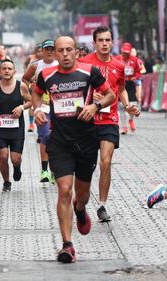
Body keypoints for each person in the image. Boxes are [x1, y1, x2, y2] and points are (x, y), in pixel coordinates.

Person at [32, 36, 115, 263]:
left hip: (86, 141)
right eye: (61, 50)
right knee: (65, 190)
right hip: (59, 142)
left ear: (76, 52)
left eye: (69, 50)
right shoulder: (47, 75)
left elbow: (110, 94)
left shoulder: (90, 71)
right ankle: (67, 245)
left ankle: (80, 210)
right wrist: (37, 109)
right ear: (55, 54)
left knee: (83, 195)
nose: (65, 54)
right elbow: (36, 92)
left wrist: (95, 106)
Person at [79, 26, 140, 222]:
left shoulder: (119, 65)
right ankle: (81, 201)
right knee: (85, 166)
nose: (105, 44)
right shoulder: (84, 63)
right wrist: (89, 99)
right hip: (88, 120)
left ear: (112, 42)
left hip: (109, 119)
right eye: (101, 40)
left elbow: (120, 89)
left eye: (108, 40)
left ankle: (102, 205)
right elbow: (77, 89)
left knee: (105, 161)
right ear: (94, 43)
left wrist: (127, 104)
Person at [0, 59, 31, 192]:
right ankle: (6, 181)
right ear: (0, 71)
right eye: (4, 68)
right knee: (3, 156)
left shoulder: (21, 86)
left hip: (17, 128)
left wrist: (21, 107)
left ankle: (17, 167)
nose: (7, 71)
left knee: (15, 159)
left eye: (9, 68)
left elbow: (30, 101)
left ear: (14, 71)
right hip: (0, 128)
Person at [22, 39, 58, 186]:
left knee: (57, 138)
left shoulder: (59, 64)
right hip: (42, 107)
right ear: (42, 51)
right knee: (45, 136)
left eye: (52, 49)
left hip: (58, 106)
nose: (49, 52)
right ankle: (44, 171)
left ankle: (55, 170)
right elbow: (24, 78)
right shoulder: (36, 65)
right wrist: (33, 87)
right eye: (47, 49)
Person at [115, 42, 142, 134]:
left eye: (127, 52)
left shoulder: (135, 60)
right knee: (121, 106)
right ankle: (123, 127)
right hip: (121, 84)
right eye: (124, 52)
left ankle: (131, 120)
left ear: (130, 52)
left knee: (133, 104)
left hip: (130, 84)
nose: (125, 54)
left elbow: (139, 71)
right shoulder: (117, 59)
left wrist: (136, 77)